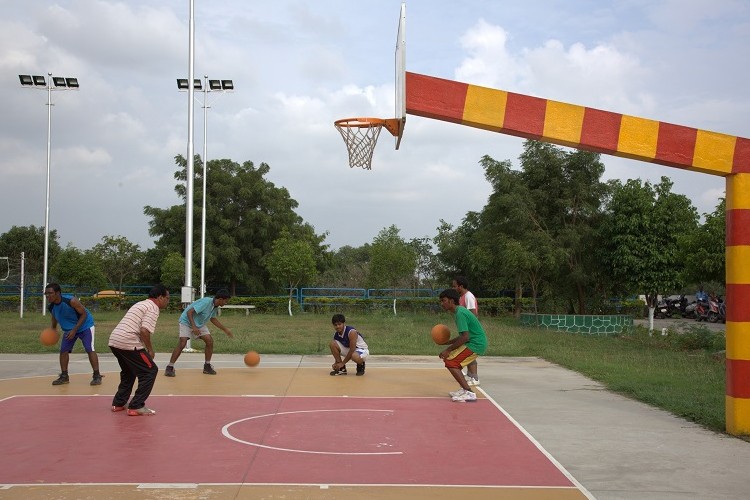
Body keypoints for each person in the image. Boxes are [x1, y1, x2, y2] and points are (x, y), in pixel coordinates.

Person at [108, 284, 170, 416]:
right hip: (128, 342)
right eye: (167, 298)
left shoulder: (141, 304)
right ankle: (136, 405)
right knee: (150, 371)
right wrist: (150, 350)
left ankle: (118, 403)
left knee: (128, 371)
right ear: (160, 297)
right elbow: (144, 330)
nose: (168, 301)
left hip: (115, 341)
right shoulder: (153, 308)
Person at [164, 290, 233, 377]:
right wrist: (194, 327)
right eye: (226, 301)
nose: (226, 303)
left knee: (209, 341)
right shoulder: (206, 302)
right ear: (220, 299)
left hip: (199, 324)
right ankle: (170, 367)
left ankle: (207, 366)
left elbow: (213, 319)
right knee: (182, 343)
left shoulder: (215, 306)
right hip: (186, 321)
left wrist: (225, 329)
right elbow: (189, 312)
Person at [44, 283, 102, 386]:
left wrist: (75, 330)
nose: (48, 295)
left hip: (85, 326)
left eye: (50, 293)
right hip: (69, 329)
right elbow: (54, 317)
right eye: (46, 293)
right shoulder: (51, 306)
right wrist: (53, 329)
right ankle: (64, 376)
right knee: (63, 351)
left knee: (89, 348)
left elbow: (84, 314)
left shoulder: (71, 301)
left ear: (58, 293)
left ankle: (97, 376)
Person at [437, 288, 488, 402]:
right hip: (473, 342)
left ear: (451, 301)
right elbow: (463, 336)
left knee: (451, 362)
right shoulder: (459, 311)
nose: (442, 303)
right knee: (453, 362)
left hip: (475, 344)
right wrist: (447, 342)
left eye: (443, 300)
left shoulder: (460, 313)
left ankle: (469, 393)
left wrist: (448, 350)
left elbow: (465, 337)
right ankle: (465, 390)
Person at [452, 276, 480, 386]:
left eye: (454, 286)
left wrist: (468, 329)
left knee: (469, 352)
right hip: (467, 330)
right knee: (467, 352)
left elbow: (473, 314)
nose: (453, 288)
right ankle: (470, 374)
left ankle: (475, 377)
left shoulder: (468, 297)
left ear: (461, 286)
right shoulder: (462, 297)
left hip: (471, 331)